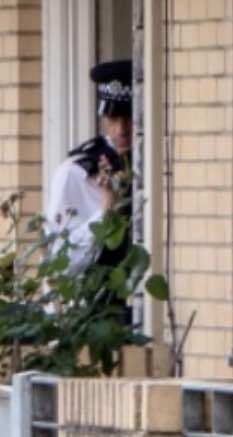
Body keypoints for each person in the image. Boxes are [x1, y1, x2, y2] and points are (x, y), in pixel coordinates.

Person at [45, 59, 133, 277]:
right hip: (101, 302)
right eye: (113, 118)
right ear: (103, 119)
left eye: (129, 117)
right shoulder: (75, 172)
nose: (122, 129)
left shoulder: (159, 163)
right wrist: (105, 212)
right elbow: (61, 263)